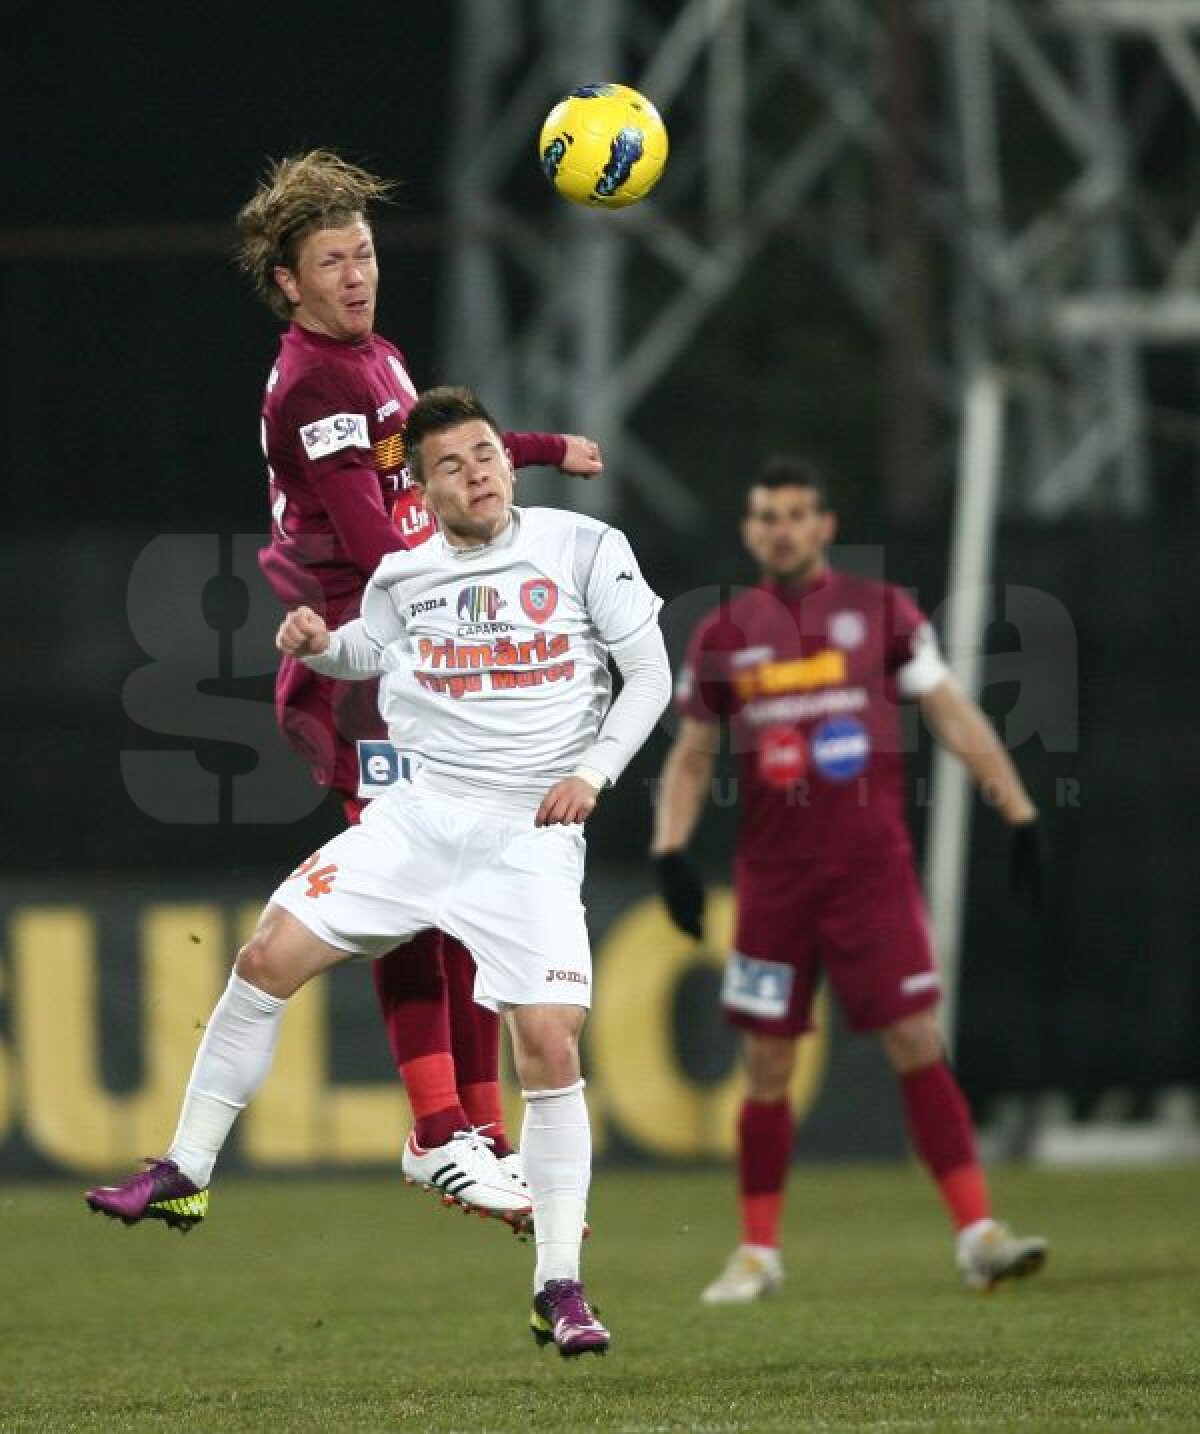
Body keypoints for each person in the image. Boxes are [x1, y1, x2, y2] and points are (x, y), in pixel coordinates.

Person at [87, 386, 672, 1357]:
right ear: (421, 487)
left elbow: (649, 671)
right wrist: (320, 641)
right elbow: (368, 648)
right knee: (266, 958)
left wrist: (592, 772)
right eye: (451, 464)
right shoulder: (403, 576)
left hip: (528, 832)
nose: (477, 472)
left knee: (550, 1049)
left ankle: (559, 1286)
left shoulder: (581, 547)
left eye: (486, 453)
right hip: (416, 823)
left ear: (506, 462)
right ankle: (186, 1171)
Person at [235, 149, 607, 1227]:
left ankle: (478, 1129)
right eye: (332, 262)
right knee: (408, 904)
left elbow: (420, 465)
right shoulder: (315, 384)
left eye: (365, 254)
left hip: (405, 659)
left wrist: (532, 447)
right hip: (361, 665)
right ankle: (438, 1133)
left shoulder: (374, 359)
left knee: (457, 893)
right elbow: (378, 542)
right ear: (289, 283)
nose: (357, 276)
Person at [651, 456, 1048, 1303]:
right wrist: (670, 851)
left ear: (825, 526)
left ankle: (978, 1234)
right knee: (764, 1064)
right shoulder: (723, 634)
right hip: (774, 884)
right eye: (768, 515)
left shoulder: (881, 613)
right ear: (751, 530)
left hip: (871, 874)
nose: (783, 528)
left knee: (915, 1042)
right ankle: (758, 1253)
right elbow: (691, 758)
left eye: (797, 513)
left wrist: (1016, 809)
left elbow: (952, 714)